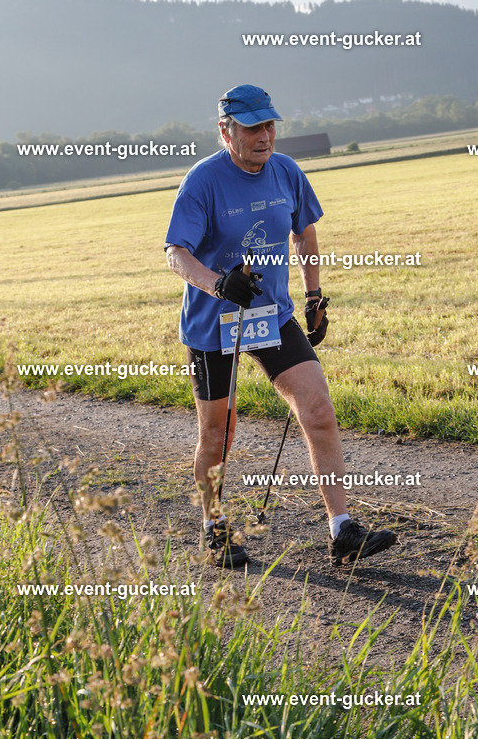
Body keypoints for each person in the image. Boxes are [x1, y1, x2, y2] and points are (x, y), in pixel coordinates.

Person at [164, 83, 397, 569]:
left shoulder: (286, 171)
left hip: (271, 314)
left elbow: (304, 233)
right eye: (253, 128)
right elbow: (176, 253)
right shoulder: (203, 181)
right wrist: (218, 284)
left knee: (319, 409)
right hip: (213, 322)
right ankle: (213, 527)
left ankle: (342, 530)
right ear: (226, 131)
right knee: (217, 433)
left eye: (269, 125)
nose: (265, 136)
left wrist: (314, 297)